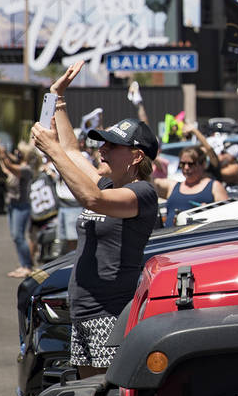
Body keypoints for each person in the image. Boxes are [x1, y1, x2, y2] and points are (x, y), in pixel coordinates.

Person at [30, 61, 161, 377]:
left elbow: (92, 200)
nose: (102, 150)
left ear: (136, 156)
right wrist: (56, 97)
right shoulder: (106, 183)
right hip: (85, 311)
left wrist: (52, 152)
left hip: (110, 313)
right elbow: (72, 152)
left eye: (112, 145)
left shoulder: (141, 193)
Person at [0, 139, 39, 277]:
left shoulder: (26, 169)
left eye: (19, 152)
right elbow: (8, 164)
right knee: (15, 236)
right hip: (13, 205)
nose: (17, 153)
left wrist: (2, 153)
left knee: (19, 236)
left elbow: (10, 166)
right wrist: (3, 153)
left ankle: (28, 266)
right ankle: (23, 264)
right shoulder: (21, 164)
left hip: (21, 206)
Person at [156, 145, 229, 227]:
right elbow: (149, 181)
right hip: (169, 237)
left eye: (191, 164)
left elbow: (226, 216)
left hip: (196, 237)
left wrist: (210, 212)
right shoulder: (172, 186)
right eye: (183, 164)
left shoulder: (214, 186)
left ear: (203, 164)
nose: (186, 168)